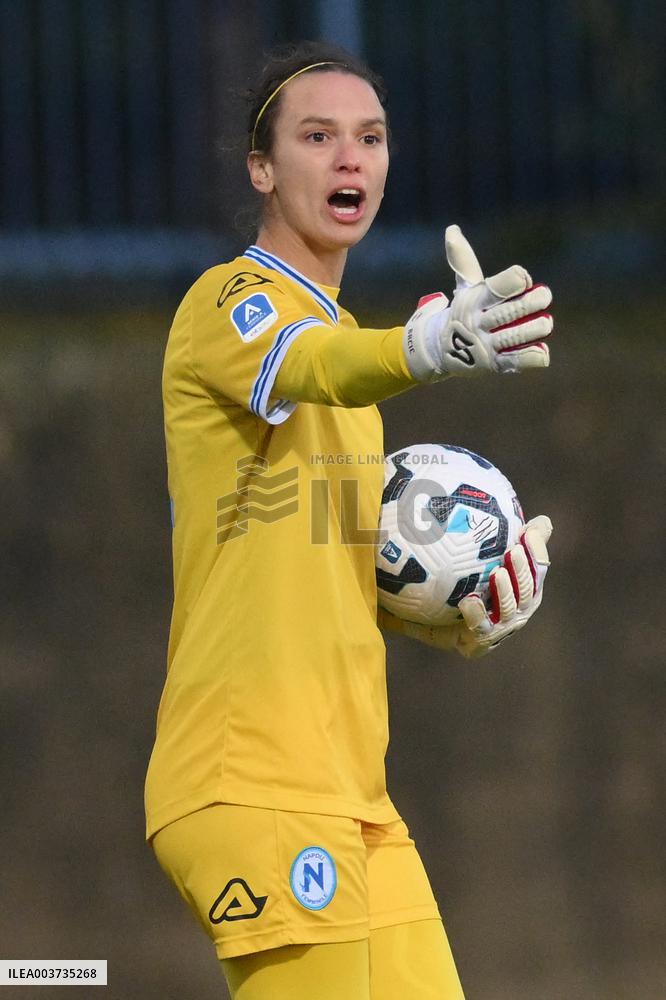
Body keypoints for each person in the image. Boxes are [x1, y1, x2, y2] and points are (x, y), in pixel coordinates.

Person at [145, 40, 553, 1000]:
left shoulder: (358, 403)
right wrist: (424, 344)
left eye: (368, 137)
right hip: (249, 781)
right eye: (317, 136)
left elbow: (331, 585)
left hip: (352, 796)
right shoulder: (228, 304)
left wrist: (465, 620)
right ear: (261, 167)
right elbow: (309, 362)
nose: (349, 160)